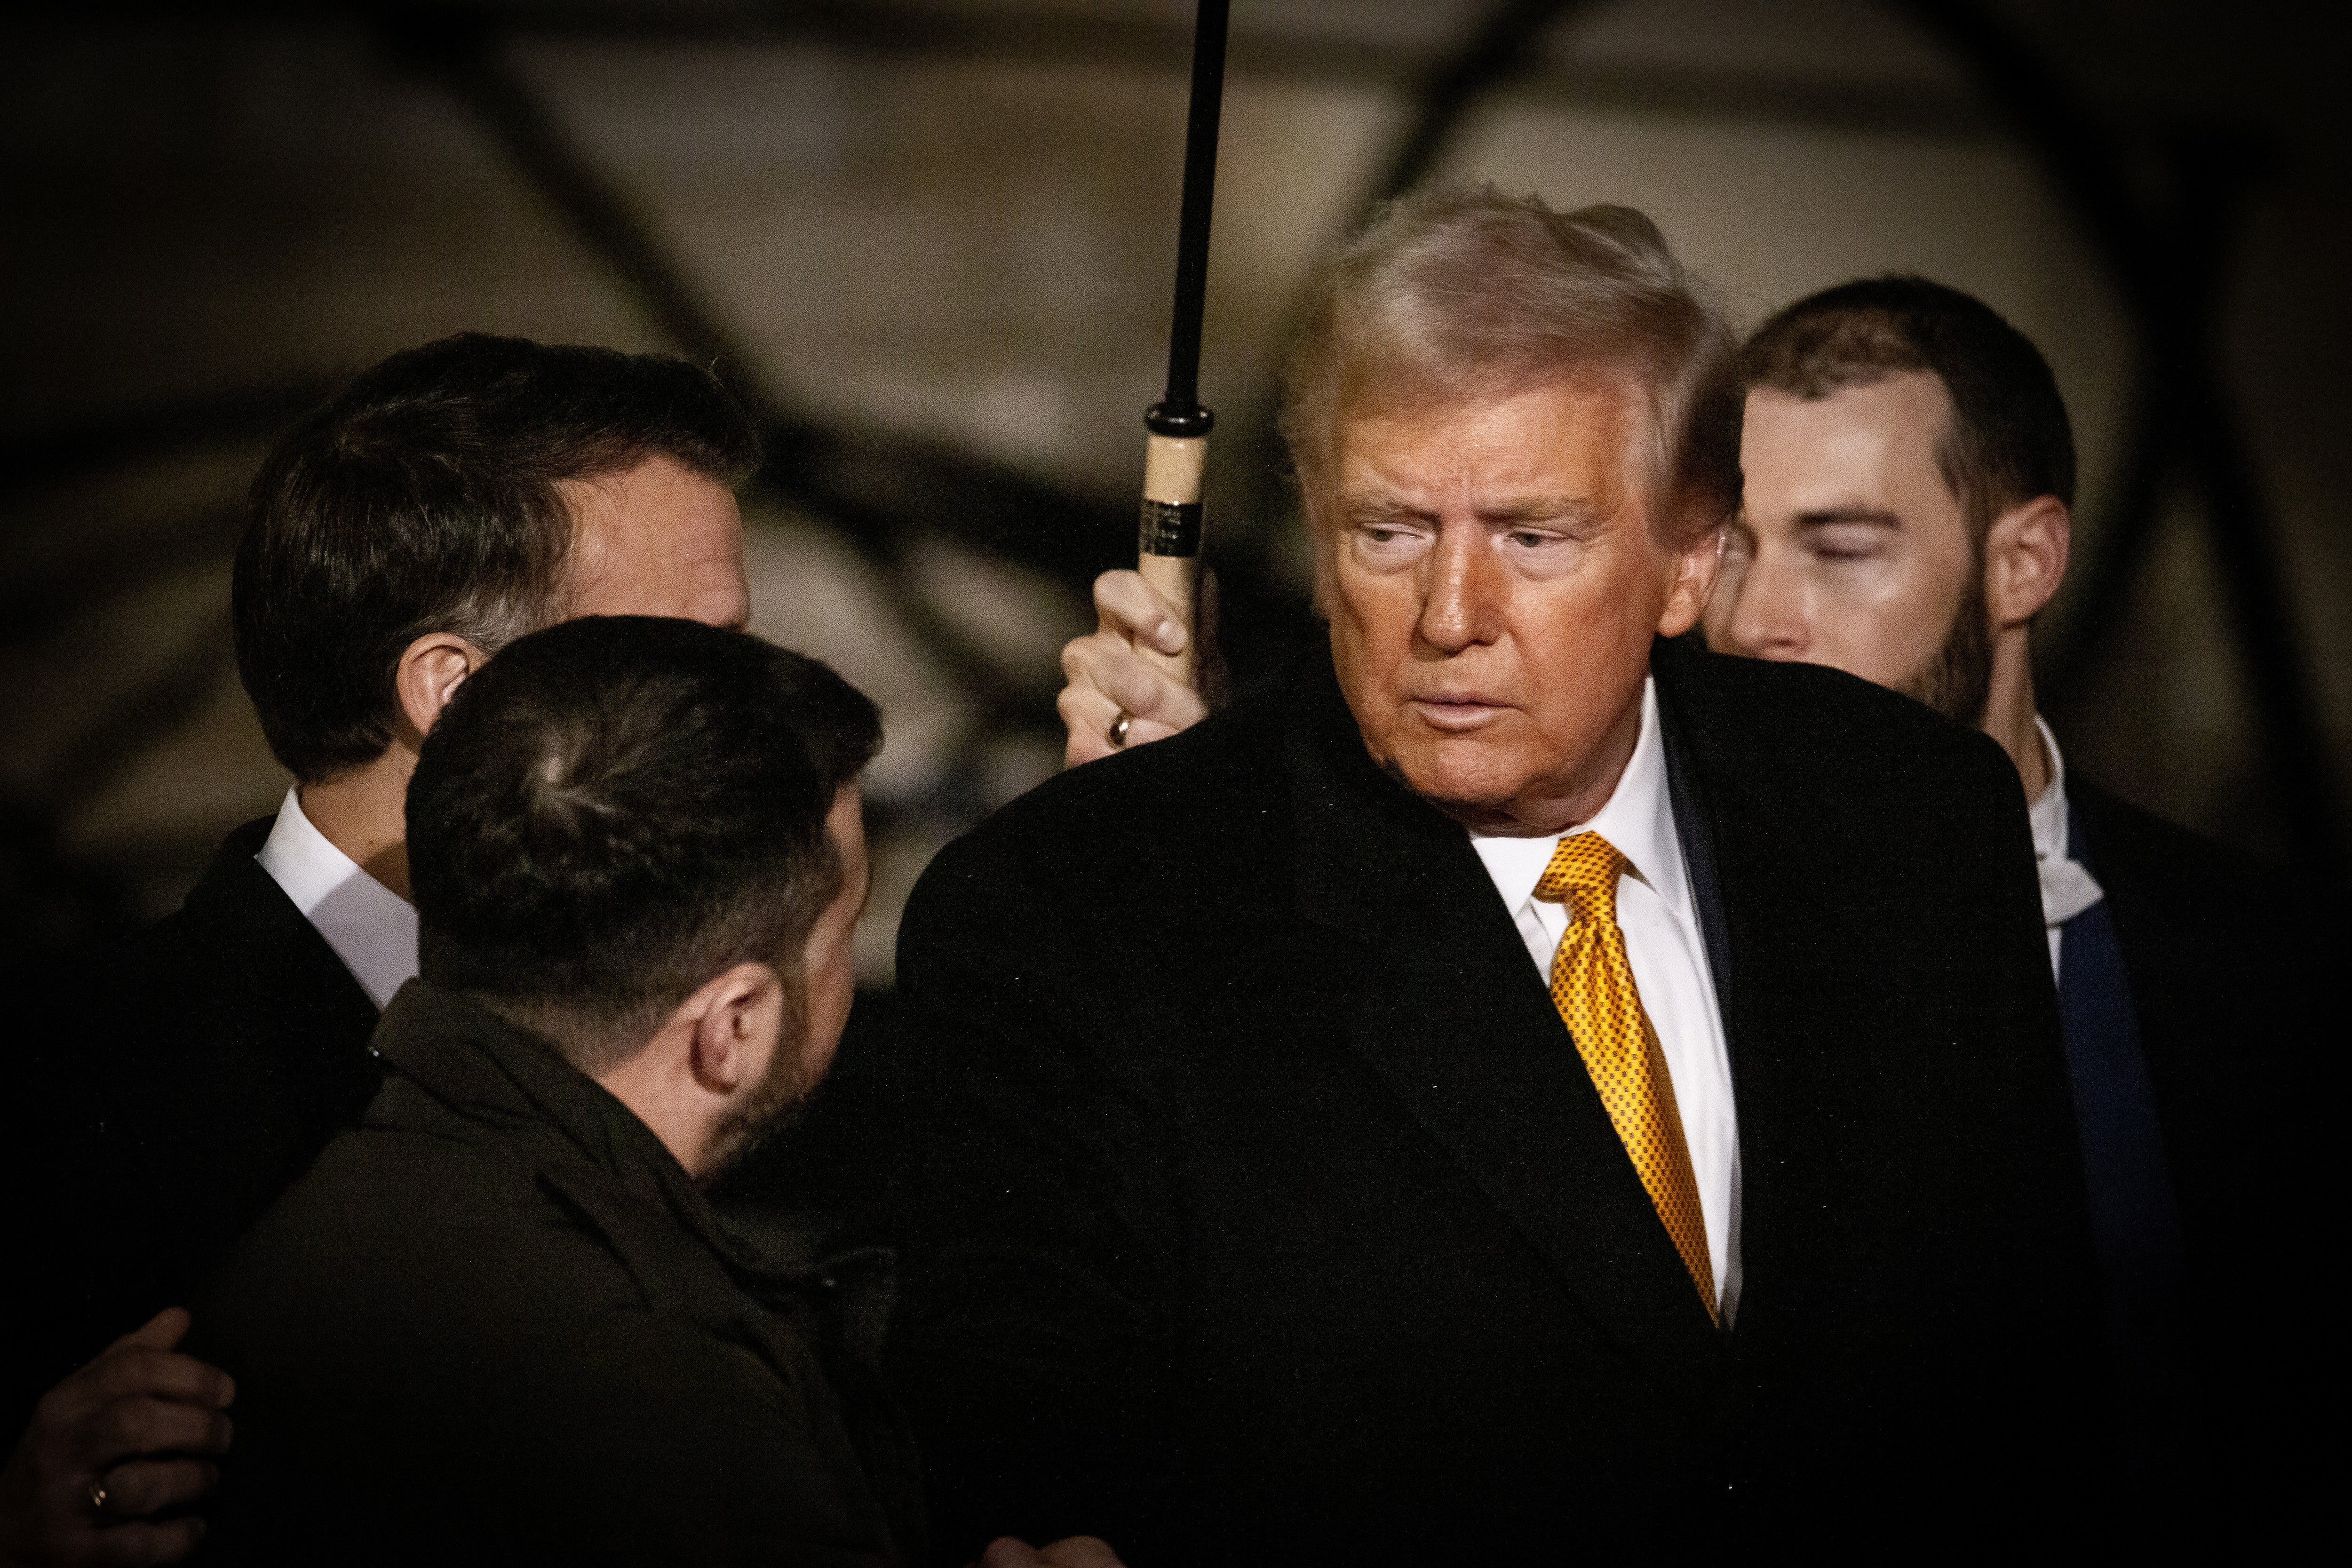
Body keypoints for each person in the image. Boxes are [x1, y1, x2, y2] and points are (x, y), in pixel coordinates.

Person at [860, 187, 2103, 1562]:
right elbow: (1018, 1458)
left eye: (1531, 535)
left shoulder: (1911, 818)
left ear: (1692, 561)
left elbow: (2028, 1394)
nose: (1452, 618)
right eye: (1389, 531)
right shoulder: (1076, 910)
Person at [2, 333, 760, 1565]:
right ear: (453, 694)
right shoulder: (66, 1076)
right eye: (692, 661)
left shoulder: (722, 1012)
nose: (760, 710)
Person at [1707, 277, 2325, 1533]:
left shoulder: (2257, 971)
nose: (1759, 619)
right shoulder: (1637, 914)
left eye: (1839, 549)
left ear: (2024, 561)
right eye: (1735, 548)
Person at [184, 614, 859, 1561]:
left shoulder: (309, 1229)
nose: (851, 978)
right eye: (841, 934)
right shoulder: (663, 1401)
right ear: (732, 1025)